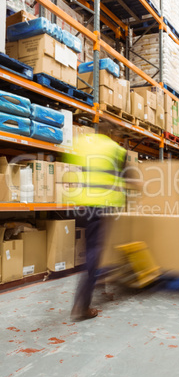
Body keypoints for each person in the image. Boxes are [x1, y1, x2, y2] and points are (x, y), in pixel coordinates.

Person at [63, 126, 137, 321]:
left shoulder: (83, 145)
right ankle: (82, 305)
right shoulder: (115, 149)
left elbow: (71, 167)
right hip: (102, 206)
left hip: (83, 205)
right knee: (95, 253)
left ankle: (99, 282)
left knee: (92, 249)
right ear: (112, 133)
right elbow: (127, 176)